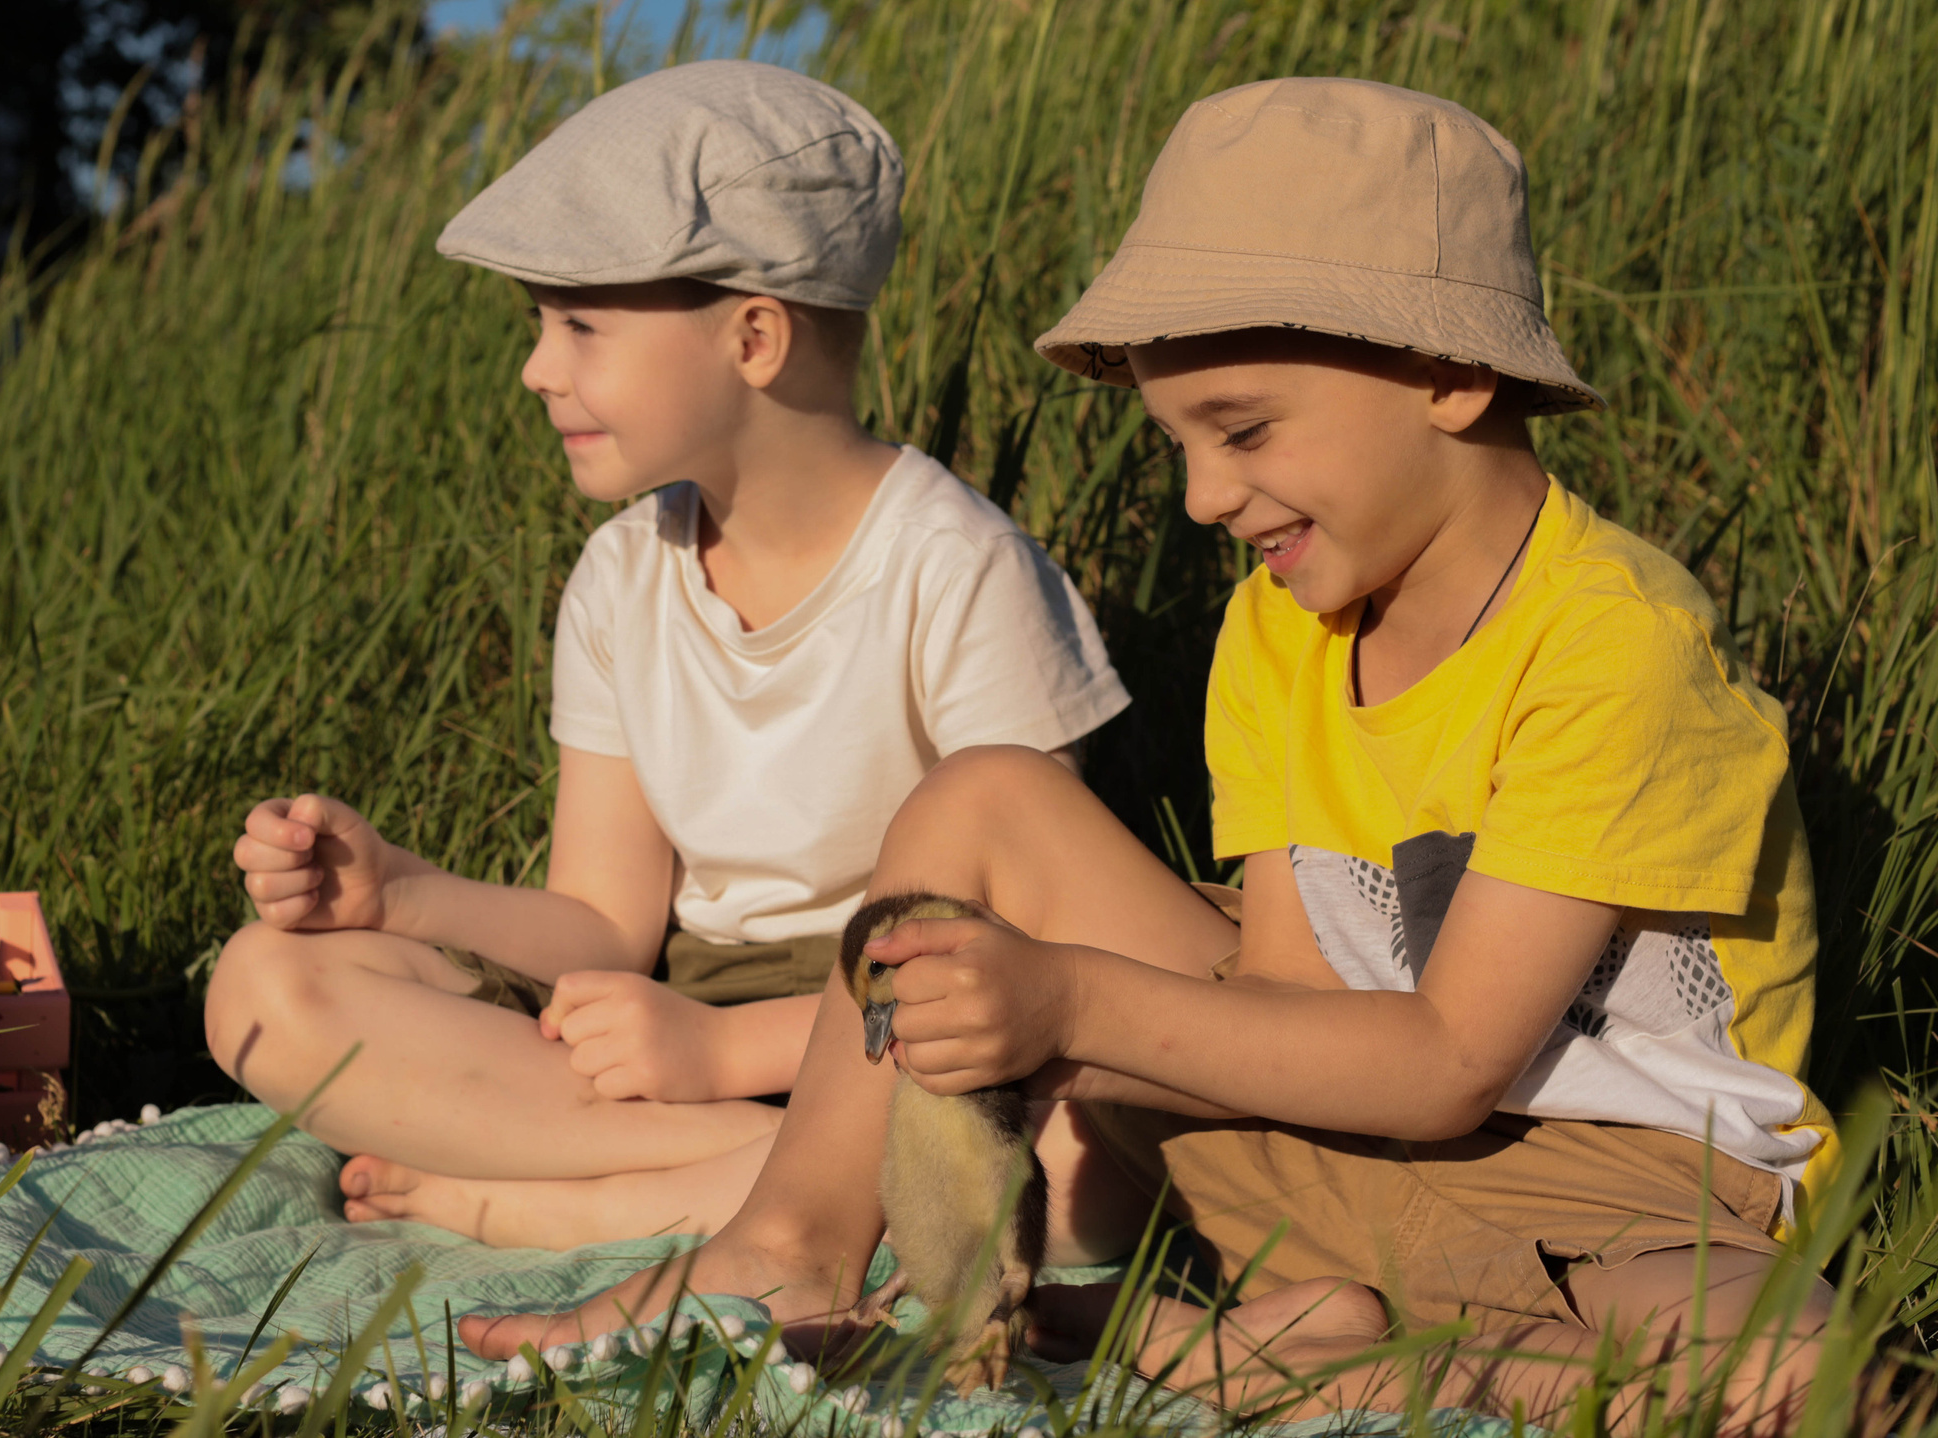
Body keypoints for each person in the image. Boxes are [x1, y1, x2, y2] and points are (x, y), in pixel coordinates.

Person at [461, 76, 1834, 1432]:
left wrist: (1072, 1009)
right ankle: (790, 1242)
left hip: (1620, 1192)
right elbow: (1287, 996)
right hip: (1334, 1154)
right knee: (982, 799)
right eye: (1178, 443)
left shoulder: (1610, 646)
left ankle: (1269, 1349)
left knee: (1793, 1385)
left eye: (1242, 429)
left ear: (1449, 376)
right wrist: (1015, 1028)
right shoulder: (1281, 624)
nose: (1203, 496)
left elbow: (1446, 1062)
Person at [203, 60, 1131, 1251]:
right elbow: (603, 922)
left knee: (1080, 1154)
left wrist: (723, 1050)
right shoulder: (622, 575)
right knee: (263, 988)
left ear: (754, 337)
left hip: (896, 1027)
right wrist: (395, 893)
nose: (538, 368)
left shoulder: (960, 571)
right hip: (674, 1025)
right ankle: (770, 1178)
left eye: (580, 326)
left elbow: (1021, 958)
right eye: (540, 324)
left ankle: (565, 1197)